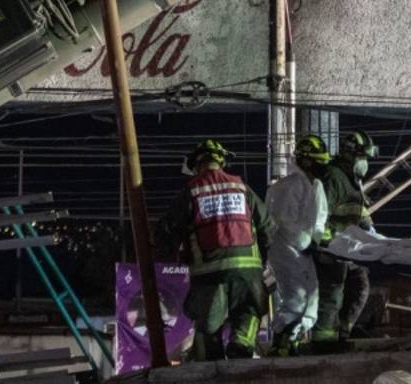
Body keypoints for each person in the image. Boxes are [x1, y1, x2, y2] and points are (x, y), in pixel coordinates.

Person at [157, 139, 274, 361]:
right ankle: (241, 346)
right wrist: (264, 258)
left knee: (209, 325)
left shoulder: (192, 191)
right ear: (221, 161)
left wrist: (166, 255)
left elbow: (169, 230)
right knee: (249, 312)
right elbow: (267, 225)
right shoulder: (241, 187)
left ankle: (211, 366)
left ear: (197, 165)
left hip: (210, 274)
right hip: (248, 269)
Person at [312, 131, 378, 352]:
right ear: (350, 155)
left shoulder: (351, 179)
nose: (365, 163)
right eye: (363, 157)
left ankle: (343, 332)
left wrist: (371, 231)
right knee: (332, 293)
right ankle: (323, 342)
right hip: (332, 248)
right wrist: (327, 244)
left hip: (348, 249)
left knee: (360, 286)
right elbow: (321, 212)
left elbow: (358, 209)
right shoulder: (334, 177)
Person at [265, 134, 330, 356]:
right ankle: (282, 342)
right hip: (285, 249)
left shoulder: (316, 186)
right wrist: (305, 242)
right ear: (306, 161)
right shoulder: (289, 186)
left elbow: (320, 219)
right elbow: (283, 221)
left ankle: (292, 339)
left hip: (304, 250)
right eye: (319, 162)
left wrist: (317, 241)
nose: (323, 166)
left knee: (310, 296)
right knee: (294, 296)